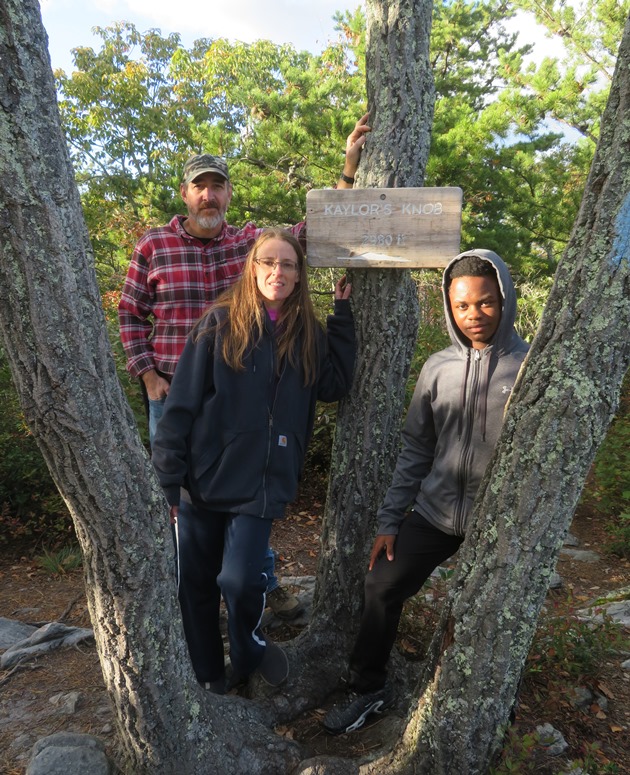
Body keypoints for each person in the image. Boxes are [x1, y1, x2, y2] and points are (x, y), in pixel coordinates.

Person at [118, 113, 370, 618]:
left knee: (248, 490)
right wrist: (148, 376)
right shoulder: (154, 245)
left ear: (228, 194)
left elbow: (303, 236)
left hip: (238, 398)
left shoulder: (247, 247)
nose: (208, 196)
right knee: (182, 506)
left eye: (217, 187)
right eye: (199, 188)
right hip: (175, 396)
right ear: (185, 195)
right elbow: (129, 312)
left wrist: (347, 172)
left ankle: (258, 584)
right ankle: (189, 595)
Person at [323, 249, 530, 734]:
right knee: (380, 582)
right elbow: (416, 448)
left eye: (485, 303)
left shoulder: (528, 367)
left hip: (496, 521)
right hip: (435, 513)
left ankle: (496, 698)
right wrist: (390, 521)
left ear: (504, 300)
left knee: (496, 609)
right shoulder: (438, 368)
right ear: (448, 308)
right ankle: (369, 688)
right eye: (462, 306)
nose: (473, 315)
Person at [151, 228, 356, 692]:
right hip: (204, 480)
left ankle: (248, 651)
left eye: (288, 264)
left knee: (242, 580)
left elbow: (334, 386)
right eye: (268, 261)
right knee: (196, 585)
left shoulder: (308, 334)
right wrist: (168, 479)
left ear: (300, 276)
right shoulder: (219, 324)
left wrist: (342, 317)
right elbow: (180, 407)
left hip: (264, 483)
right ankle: (208, 675)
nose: (277, 271)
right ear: (252, 267)